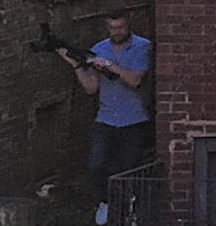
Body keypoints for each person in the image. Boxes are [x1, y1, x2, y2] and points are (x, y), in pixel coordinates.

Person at [57, 11, 152, 204]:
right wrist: (77, 66)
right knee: (95, 165)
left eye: (120, 28)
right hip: (106, 118)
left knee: (129, 168)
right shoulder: (99, 48)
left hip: (134, 119)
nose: (116, 32)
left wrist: (109, 65)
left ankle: (129, 211)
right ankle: (105, 202)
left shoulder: (142, 46)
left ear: (128, 26)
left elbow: (134, 80)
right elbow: (91, 88)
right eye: (112, 28)